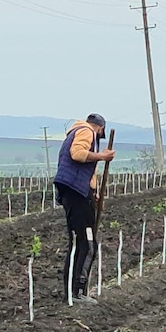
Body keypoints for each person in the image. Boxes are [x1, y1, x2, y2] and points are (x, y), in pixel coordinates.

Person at [54, 113, 115, 304]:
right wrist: (102, 156)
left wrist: (92, 191)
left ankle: (74, 293)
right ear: (100, 129)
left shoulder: (76, 131)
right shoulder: (86, 131)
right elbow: (78, 154)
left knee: (80, 243)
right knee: (86, 244)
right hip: (75, 193)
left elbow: (85, 169)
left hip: (77, 192)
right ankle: (77, 293)